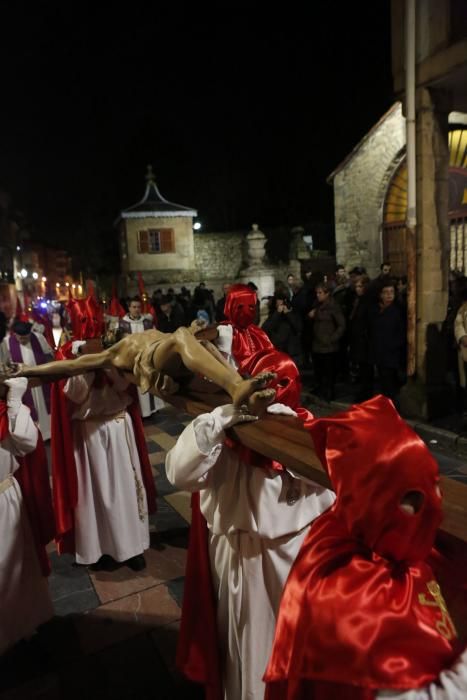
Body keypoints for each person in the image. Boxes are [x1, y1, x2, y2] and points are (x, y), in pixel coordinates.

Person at [264, 395, 467, 699]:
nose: (434, 507)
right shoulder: (346, 593)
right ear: (373, 504)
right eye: (412, 497)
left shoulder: (357, 527)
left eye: (435, 484)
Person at [165, 360, 335, 700]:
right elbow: (180, 473)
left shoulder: (310, 431)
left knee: (294, 647)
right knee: (251, 648)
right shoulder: (225, 432)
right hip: (244, 560)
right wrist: (220, 419)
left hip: (299, 557)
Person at [13, 319, 277, 416]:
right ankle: (236, 385)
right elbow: (70, 365)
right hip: (157, 359)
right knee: (181, 336)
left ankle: (245, 395)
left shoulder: (146, 331)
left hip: (179, 363)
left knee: (194, 342)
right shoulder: (113, 353)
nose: (111, 332)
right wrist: (27, 370)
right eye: (108, 334)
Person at [51, 339, 157, 570]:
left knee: (127, 488)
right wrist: (86, 363)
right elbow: (74, 395)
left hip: (118, 425)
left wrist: (109, 361)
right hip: (89, 432)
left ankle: (132, 547)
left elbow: (126, 385)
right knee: (95, 492)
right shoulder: (69, 356)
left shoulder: (118, 350)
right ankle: (98, 548)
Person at [0, 377, 54, 655]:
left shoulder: (3, 410)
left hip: (5, 495)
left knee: (18, 569)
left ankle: (23, 629)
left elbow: (27, 442)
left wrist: (13, 403)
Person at [4, 320, 54, 440]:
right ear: (15, 335)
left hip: (41, 380)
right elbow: (7, 363)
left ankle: (49, 434)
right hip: (23, 383)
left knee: (45, 407)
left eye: (26, 338)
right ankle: (35, 436)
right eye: (21, 338)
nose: (24, 341)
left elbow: (48, 354)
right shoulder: (7, 342)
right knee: (30, 409)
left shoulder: (38, 337)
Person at [119, 296, 162, 417]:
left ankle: (151, 410)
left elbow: (155, 337)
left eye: (138, 307)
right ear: (129, 308)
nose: (136, 309)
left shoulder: (147, 322)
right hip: (131, 360)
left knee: (150, 382)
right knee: (137, 385)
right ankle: (140, 412)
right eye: (134, 307)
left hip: (147, 358)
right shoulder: (122, 324)